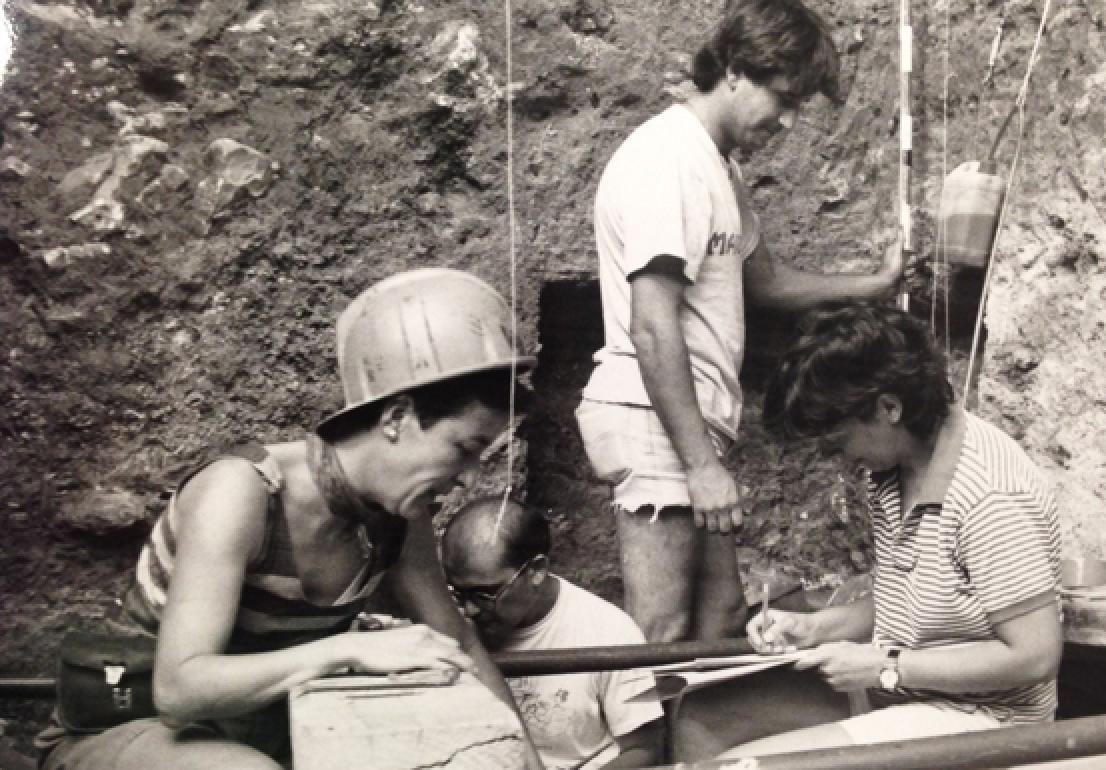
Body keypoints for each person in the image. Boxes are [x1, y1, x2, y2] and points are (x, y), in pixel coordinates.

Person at [41, 269, 548, 770]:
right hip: (132, 728)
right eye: (465, 448)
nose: (469, 476)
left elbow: (458, 640)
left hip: (258, 736)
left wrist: (530, 762)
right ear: (396, 417)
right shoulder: (242, 492)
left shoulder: (399, 516)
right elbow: (179, 691)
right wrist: (345, 651)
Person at [575, 0, 906, 645]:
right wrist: (702, 467)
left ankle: (705, 748)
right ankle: (650, 750)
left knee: (722, 616)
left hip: (690, 417)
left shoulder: (716, 167)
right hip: (653, 416)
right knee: (663, 627)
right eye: (782, 99)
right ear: (732, 68)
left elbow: (767, 283)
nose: (786, 122)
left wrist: (877, 284)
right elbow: (652, 325)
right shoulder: (667, 159)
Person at [725, 303, 1063, 755]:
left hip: (991, 722)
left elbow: (1035, 655)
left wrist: (887, 667)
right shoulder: (892, 471)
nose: (837, 458)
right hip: (914, 702)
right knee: (722, 732)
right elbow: (907, 603)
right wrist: (815, 629)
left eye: (839, 440)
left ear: (888, 407)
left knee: (737, 767)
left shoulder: (988, 494)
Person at [442, 495, 665, 770]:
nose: (469, 610)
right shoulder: (448, 627)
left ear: (536, 570)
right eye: (458, 592)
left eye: (484, 594)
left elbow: (644, 750)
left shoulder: (609, 631)